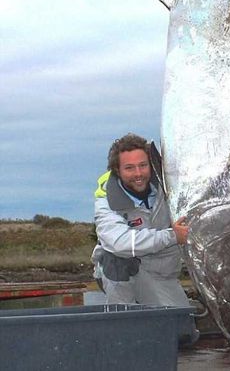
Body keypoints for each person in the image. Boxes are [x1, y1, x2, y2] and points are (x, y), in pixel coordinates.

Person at [92, 133, 199, 343]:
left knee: (184, 336)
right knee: (114, 258)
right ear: (117, 170)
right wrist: (171, 236)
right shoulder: (105, 202)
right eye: (129, 168)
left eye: (143, 165)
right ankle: (123, 332)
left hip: (162, 275)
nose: (138, 173)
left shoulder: (172, 188)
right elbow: (118, 243)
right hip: (125, 271)